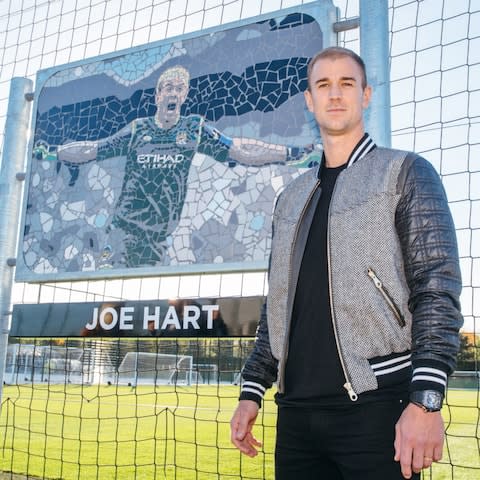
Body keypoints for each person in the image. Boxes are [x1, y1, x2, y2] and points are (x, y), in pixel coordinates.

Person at [230, 46, 463, 480]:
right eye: (323, 84)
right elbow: (278, 306)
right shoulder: (291, 199)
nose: (335, 94)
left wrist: (426, 398)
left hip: (377, 409)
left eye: (347, 83)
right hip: (296, 416)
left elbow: (437, 285)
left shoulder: (406, 173)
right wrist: (252, 390)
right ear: (309, 100)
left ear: (366, 95)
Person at [34, 65, 315, 268]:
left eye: (179, 89)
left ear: (184, 97)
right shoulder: (138, 130)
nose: (173, 93)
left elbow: (241, 150)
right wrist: (52, 154)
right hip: (123, 231)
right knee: (108, 281)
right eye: (168, 88)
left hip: (158, 238)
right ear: (157, 96)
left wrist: (290, 154)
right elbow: (91, 149)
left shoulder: (193, 129)